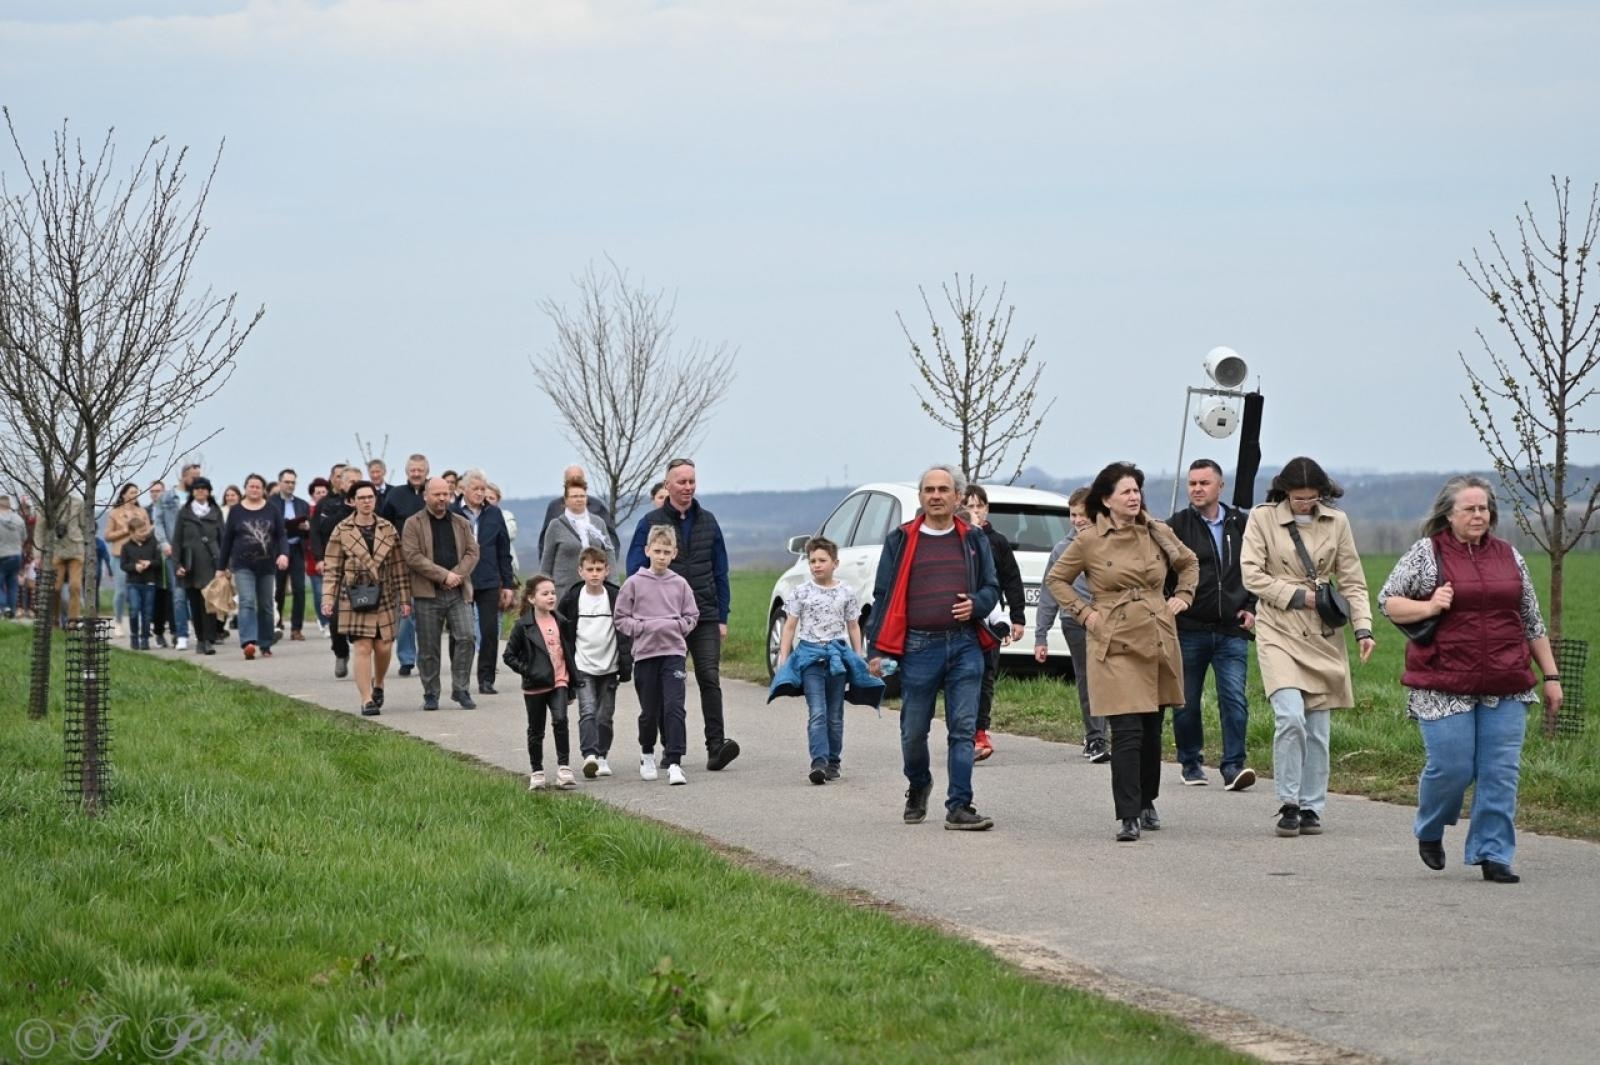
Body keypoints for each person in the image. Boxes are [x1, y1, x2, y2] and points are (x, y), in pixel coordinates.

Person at [1378, 476, 1561, 884]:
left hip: (1507, 680)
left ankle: (1492, 853)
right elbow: (1388, 602)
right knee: (1452, 768)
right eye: (1470, 509)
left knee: (1500, 771)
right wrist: (1429, 605)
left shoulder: (1508, 556)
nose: (1480, 515)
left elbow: (1531, 621)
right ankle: (1430, 827)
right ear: (1448, 514)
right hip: (1443, 681)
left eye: (1484, 508)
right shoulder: (1427, 553)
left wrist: (1550, 676)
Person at [1045, 462, 1197, 842]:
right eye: (1126, 492)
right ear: (1107, 499)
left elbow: (1189, 562)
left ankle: (1147, 800)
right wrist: (1085, 614)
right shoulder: (1089, 539)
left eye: (1136, 490)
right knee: (1126, 729)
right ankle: (1128, 814)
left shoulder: (1157, 531)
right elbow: (1056, 579)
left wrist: (1182, 597)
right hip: (1113, 637)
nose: (1134, 497)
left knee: (1150, 727)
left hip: (1156, 632)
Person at [1241, 456, 1375, 839]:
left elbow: (1352, 581)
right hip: (1278, 628)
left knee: (1317, 728)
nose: (1305, 504)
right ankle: (1288, 802)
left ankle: (1312, 806)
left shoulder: (1338, 522)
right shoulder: (1262, 518)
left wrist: (1363, 629)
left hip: (1322, 635)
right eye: (1298, 498)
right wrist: (1300, 596)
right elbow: (1252, 574)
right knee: (1290, 717)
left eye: (1312, 498)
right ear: (1284, 492)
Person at [865, 464, 1001, 831]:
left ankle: (959, 805)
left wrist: (977, 603)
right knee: (913, 730)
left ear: (958, 497)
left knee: (963, 729)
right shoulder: (901, 539)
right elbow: (883, 596)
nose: (936, 496)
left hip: (965, 645)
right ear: (921, 496)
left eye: (944, 490)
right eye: (929, 490)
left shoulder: (973, 539)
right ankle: (919, 783)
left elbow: (992, 588)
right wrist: (877, 650)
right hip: (917, 647)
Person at [625, 458, 741, 771]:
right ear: (668, 485)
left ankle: (716, 746)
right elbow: (634, 570)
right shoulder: (649, 522)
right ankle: (669, 749)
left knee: (709, 676)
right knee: (665, 685)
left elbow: (721, 571)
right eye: (681, 482)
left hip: (703, 613)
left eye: (692, 481)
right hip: (663, 620)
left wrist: (721, 617)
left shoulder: (709, 521)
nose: (688, 487)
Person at [1166, 459, 1259, 791]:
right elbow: (1163, 572)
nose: (1196, 489)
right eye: (1192, 483)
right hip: (1189, 628)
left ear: (1220, 487)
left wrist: (1252, 607)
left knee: (1234, 699)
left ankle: (1234, 766)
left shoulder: (1243, 525)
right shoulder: (1175, 526)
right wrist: (1172, 605)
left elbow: (1257, 570)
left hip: (1231, 629)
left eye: (1204, 483)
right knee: (1186, 701)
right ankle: (1191, 762)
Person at [772, 535, 882, 785]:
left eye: (822, 560)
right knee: (818, 712)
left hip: (837, 659)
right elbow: (790, 626)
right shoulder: (801, 592)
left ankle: (834, 761)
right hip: (810, 657)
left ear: (835, 563)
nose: (817, 565)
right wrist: (784, 657)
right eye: (812, 561)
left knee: (835, 714)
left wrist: (857, 657)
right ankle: (818, 762)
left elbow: (853, 626)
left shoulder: (845, 592)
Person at [615, 525, 700, 786]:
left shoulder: (680, 584)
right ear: (647, 550)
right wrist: (641, 628)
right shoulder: (633, 584)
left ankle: (674, 760)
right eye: (657, 551)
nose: (661, 556)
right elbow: (620, 618)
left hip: (673, 653)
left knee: (674, 707)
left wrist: (678, 626)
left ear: (674, 553)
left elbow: (692, 616)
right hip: (645, 655)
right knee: (649, 710)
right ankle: (647, 753)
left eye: (666, 551)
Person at [321, 479, 411, 716]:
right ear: (352, 501)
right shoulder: (342, 530)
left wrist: (404, 599)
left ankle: (378, 683)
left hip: (384, 594)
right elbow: (331, 568)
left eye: (370, 497)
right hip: (355, 594)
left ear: (375, 499)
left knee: (383, 647)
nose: (366, 502)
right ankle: (366, 699)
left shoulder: (388, 529)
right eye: (361, 498)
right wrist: (328, 598)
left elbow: (399, 566)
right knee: (362, 647)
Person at [1034, 488, 1110, 762]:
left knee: (1109, 677)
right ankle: (1096, 739)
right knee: (1088, 677)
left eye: (1083, 514)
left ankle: (1105, 730)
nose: (1078, 520)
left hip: (1110, 620)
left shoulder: (1110, 542)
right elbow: (1049, 592)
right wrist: (1040, 636)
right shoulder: (1062, 549)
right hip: (1075, 621)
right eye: (1073, 515)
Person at [401, 476, 481, 711]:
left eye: (446, 493)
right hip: (428, 593)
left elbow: (472, 551)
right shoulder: (413, 523)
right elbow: (412, 556)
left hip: (457, 592)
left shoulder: (460, 522)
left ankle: (461, 688)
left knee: (467, 636)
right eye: (437, 494)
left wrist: (456, 574)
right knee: (428, 646)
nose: (442, 498)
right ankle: (431, 693)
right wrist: (442, 575)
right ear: (426, 496)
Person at [558, 547, 634, 779]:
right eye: (589, 569)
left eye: (599, 569)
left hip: (609, 667)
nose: (594, 574)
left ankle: (602, 756)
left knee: (605, 715)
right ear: (580, 571)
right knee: (588, 711)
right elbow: (564, 633)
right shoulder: (572, 598)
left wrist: (626, 662)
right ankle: (589, 755)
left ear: (607, 571)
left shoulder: (615, 596)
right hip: (583, 667)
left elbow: (625, 631)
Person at [963, 484, 1026, 761]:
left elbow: (1012, 579)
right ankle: (962, 729)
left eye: (979, 506)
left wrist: (1017, 617)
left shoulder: (997, 541)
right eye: (969, 506)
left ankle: (980, 731)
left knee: (987, 676)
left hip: (991, 618)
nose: (975, 512)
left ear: (986, 509)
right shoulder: (956, 538)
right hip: (960, 619)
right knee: (964, 677)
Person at [504, 574, 579, 790]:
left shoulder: (562, 622)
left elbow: (569, 655)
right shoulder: (523, 626)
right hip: (535, 686)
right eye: (544, 593)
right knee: (536, 730)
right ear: (531, 598)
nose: (550, 597)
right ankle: (537, 771)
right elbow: (509, 656)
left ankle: (564, 768)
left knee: (561, 721)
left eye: (553, 593)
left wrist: (572, 686)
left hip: (560, 682)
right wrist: (528, 672)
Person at [453, 469, 517, 694]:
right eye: (476, 489)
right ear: (464, 490)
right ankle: (458, 676)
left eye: (483, 489)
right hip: (460, 579)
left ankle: (486, 679)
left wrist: (507, 584)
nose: (480, 494)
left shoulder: (494, 514)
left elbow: (504, 551)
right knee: (461, 631)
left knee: (489, 631)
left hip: (489, 579)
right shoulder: (453, 512)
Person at [220, 473, 289, 659]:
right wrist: (221, 567)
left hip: (266, 566)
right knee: (247, 601)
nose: (254, 489)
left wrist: (283, 554)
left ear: (263, 490)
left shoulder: (272, 509)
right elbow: (227, 540)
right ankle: (248, 642)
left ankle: (265, 643)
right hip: (243, 565)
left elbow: (281, 535)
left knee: (266, 605)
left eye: (258, 487)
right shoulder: (236, 511)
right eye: (251, 486)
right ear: (245, 488)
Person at [380, 453, 429, 676]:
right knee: (406, 612)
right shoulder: (395, 495)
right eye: (413, 470)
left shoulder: (433, 493)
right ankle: (407, 658)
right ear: (407, 472)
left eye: (420, 470)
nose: (416, 474)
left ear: (427, 471)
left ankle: (428, 657)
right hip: (402, 562)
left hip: (430, 564)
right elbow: (384, 526)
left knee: (428, 613)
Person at [311, 466, 358, 677]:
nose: (353, 485)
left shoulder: (368, 501)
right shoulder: (327, 503)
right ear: (339, 482)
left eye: (358, 480)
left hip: (362, 569)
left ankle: (363, 656)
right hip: (335, 566)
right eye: (348, 481)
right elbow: (319, 531)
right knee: (336, 615)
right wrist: (320, 559)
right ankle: (341, 652)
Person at [541, 475, 617, 597]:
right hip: (564, 592)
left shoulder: (598, 523)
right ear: (565, 500)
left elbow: (609, 551)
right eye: (574, 496)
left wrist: (613, 584)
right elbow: (547, 562)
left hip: (595, 590)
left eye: (582, 496)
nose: (579, 499)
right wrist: (544, 590)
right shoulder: (556, 526)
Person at [172, 477, 223, 655]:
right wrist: (177, 564)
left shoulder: (216, 512)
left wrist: (225, 565)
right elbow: (176, 541)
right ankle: (200, 639)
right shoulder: (184, 513)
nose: (200, 491)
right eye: (197, 489)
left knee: (209, 604)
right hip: (190, 565)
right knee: (194, 604)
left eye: (204, 488)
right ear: (192, 492)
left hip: (211, 564)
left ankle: (209, 640)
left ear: (209, 492)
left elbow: (223, 540)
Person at [151, 466, 196, 650]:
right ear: (184, 477)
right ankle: (180, 633)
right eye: (194, 477)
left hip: (194, 551)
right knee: (178, 593)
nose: (196, 481)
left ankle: (201, 633)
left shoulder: (199, 498)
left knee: (196, 594)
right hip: (173, 551)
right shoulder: (167, 498)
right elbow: (159, 523)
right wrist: (164, 543)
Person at [538, 464, 620, 556]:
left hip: (593, 565)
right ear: (565, 484)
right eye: (571, 479)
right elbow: (545, 543)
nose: (575, 482)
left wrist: (608, 564)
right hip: (563, 565)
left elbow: (611, 540)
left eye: (578, 479)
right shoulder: (555, 508)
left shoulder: (597, 506)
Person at [269, 468, 312, 641]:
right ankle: (277, 623)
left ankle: (296, 628)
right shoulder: (271, 503)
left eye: (293, 482)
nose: (290, 485)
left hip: (296, 549)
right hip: (278, 551)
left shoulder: (302, 504)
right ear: (280, 483)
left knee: (300, 589)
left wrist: (306, 527)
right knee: (278, 590)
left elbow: (310, 528)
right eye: (287, 482)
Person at [38, 494, 88, 622]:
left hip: (75, 549)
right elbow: (40, 529)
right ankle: (55, 619)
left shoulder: (77, 503)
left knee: (75, 586)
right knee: (55, 587)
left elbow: (85, 526)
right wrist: (38, 553)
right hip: (56, 549)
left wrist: (86, 548)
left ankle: (73, 620)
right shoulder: (47, 504)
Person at [104, 482, 143, 636]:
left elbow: (146, 531)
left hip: (139, 556)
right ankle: (118, 622)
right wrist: (125, 530)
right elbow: (107, 536)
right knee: (120, 591)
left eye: (137, 492)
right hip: (119, 556)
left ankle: (138, 622)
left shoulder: (142, 512)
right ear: (124, 494)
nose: (135, 495)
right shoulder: (114, 513)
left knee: (138, 590)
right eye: (132, 492)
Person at [119, 512, 161, 649]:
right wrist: (135, 567)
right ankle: (134, 636)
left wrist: (149, 563)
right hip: (133, 583)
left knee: (147, 612)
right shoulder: (126, 547)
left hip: (149, 582)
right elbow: (123, 565)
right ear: (132, 532)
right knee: (134, 609)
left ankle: (145, 639)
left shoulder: (152, 544)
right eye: (141, 531)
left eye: (145, 530)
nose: (144, 533)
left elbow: (158, 562)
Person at [304, 476, 331, 636]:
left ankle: (331, 620)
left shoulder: (332, 509)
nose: (320, 494)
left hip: (330, 554)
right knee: (318, 592)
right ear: (312, 495)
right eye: (317, 492)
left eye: (323, 491)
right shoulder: (308, 510)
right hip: (312, 555)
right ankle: (323, 621)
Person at [0, 492, 25, 619]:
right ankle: (12, 611)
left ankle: (3, 608)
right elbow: (24, 537)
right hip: (16, 555)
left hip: (2, 555)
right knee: (12, 584)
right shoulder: (18, 519)